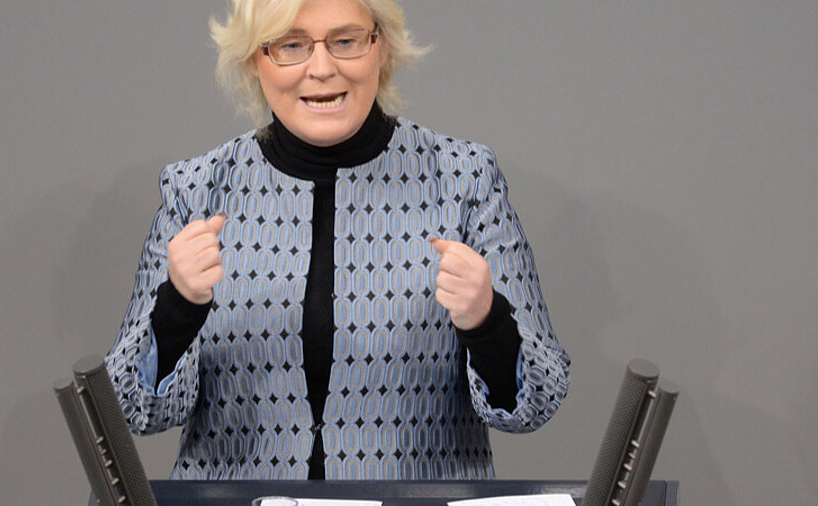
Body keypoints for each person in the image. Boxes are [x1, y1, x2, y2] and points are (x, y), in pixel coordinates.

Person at [106, 0, 570, 481]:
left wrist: (486, 320)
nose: (322, 69)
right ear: (254, 60)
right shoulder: (195, 190)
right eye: (291, 46)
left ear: (381, 48)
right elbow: (130, 407)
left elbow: (537, 399)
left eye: (345, 41)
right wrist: (176, 309)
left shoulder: (464, 180)